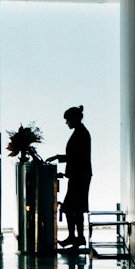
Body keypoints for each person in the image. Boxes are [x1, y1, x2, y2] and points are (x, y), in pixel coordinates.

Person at [50, 105, 92, 250]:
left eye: (67, 120)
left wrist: (58, 158)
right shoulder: (81, 132)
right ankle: (77, 238)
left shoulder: (80, 134)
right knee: (76, 208)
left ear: (74, 119)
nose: (66, 123)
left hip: (79, 176)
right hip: (80, 175)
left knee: (70, 207)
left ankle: (75, 237)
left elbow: (77, 157)